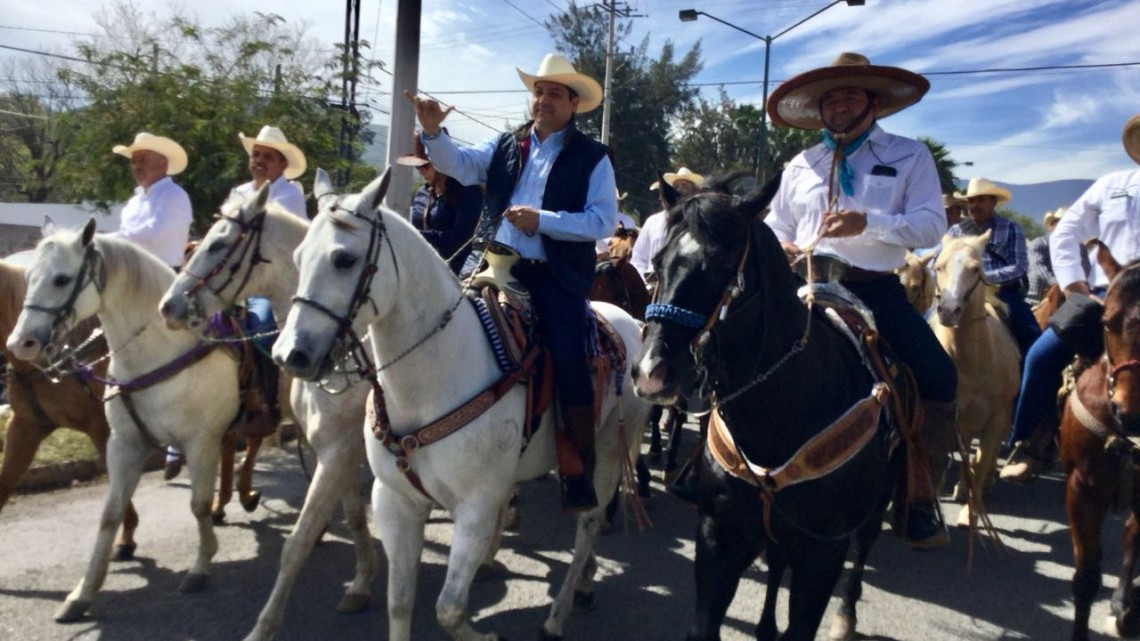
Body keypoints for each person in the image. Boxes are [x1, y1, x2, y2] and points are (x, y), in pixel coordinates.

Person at [407, 53, 617, 512]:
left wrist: (541, 220)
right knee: (434, 327)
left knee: (567, 356)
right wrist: (432, 132)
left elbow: (604, 221)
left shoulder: (593, 157)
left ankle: (578, 466)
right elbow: (459, 165)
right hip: (487, 265)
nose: (542, 100)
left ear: (574, 103)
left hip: (552, 275)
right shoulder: (504, 144)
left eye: (554, 93)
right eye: (538, 92)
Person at [766, 52, 958, 549]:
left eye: (850, 94)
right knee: (733, 350)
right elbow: (777, 225)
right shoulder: (800, 164)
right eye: (830, 98)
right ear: (820, 111)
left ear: (873, 102)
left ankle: (917, 496)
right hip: (801, 284)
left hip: (872, 286)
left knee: (939, 376)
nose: (839, 105)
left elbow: (932, 226)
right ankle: (723, 467)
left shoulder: (909, 155)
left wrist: (868, 223)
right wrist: (780, 244)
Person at [1001, 113, 1140, 482]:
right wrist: (1074, 285)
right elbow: (1065, 234)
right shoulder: (1112, 185)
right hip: (1104, 298)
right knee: (1040, 357)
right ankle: (1029, 441)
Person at [108, 132, 193, 480]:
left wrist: (105, 240)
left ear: (163, 163)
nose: (137, 165)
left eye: (143, 159)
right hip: (131, 280)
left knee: (180, 348)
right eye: (134, 160)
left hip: (164, 280)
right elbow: (130, 236)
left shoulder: (174, 196)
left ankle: (180, 433)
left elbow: (152, 235)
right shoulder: (134, 200)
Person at [946, 178, 1040, 355]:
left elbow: (1019, 266)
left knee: (1030, 333)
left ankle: (1033, 376)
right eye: (971, 201)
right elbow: (943, 264)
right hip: (960, 293)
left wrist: (984, 278)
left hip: (1002, 293)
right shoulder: (955, 232)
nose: (975, 205)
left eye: (981, 200)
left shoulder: (1012, 228)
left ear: (993, 202)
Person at [396, 133, 483, 274]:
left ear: (442, 163)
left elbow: (462, 240)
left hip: (459, 272)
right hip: (420, 269)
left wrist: (415, 236)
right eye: (417, 168)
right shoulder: (421, 194)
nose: (421, 172)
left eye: (425, 166)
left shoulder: (468, 192)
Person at [630, 168, 706, 281]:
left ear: (694, 192)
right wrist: (643, 282)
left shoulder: (700, 221)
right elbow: (638, 258)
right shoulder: (652, 222)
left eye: (684, 186)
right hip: (650, 285)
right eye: (676, 187)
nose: (679, 190)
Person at [233, 125, 308, 219]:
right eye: (255, 154)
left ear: (282, 164)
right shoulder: (240, 192)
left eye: (268, 157)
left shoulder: (290, 196)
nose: (259, 160)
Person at [1025, 207, 1064, 305]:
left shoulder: (1079, 248)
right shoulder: (1040, 243)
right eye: (1061, 223)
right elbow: (1038, 266)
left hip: (1068, 295)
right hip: (1035, 299)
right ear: (1052, 225)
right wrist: (1056, 283)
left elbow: (1085, 269)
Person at [595, 191, 638, 257]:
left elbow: (632, 243)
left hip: (622, 259)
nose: (615, 204)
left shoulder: (629, 221)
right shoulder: (597, 219)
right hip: (600, 258)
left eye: (617, 201)